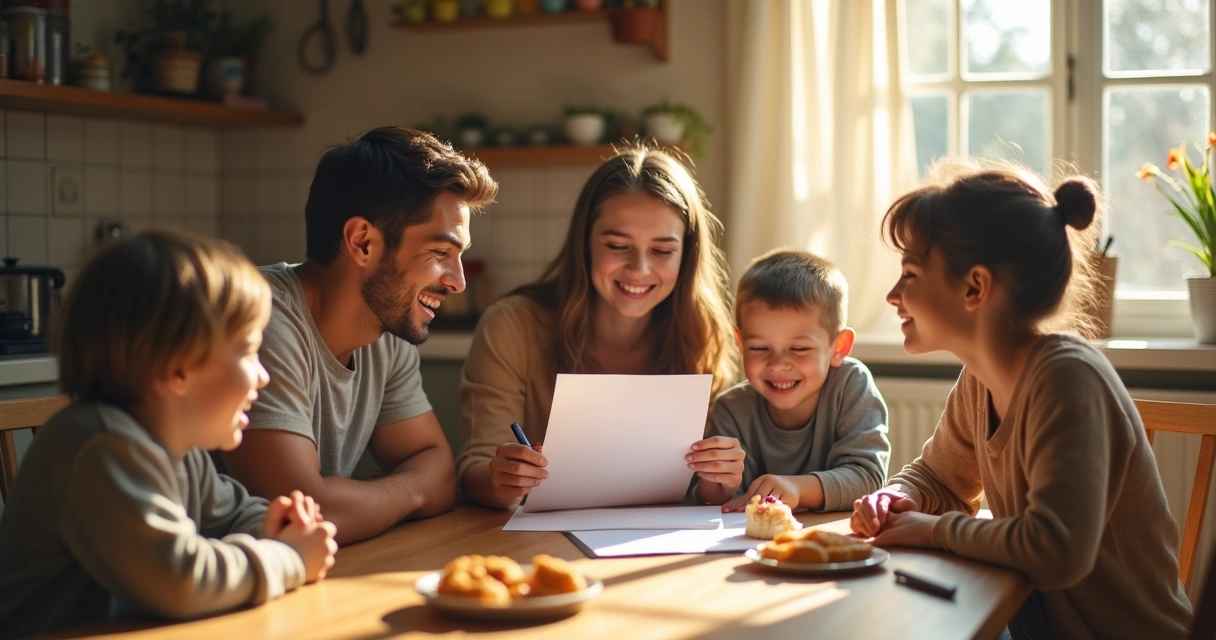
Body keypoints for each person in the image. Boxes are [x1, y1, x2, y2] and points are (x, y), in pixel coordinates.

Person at [851, 159, 1193, 638]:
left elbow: (1056, 549)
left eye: (909, 273)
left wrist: (931, 530)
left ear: (975, 287)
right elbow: (939, 476)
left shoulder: (1067, 380)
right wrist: (896, 496)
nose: (893, 294)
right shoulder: (980, 378)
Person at [0, 231, 337, 639]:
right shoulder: (102, 447)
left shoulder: (178, 450)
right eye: (249, 352)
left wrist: (273, 525)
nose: (263, 375)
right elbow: (179, 580)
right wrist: (289, 557)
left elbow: (229, 514)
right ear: (178, 369)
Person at [220, 127, 498, 544]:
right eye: (441, 253)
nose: (458, 281)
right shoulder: (260, 320)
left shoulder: (387, 330)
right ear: (362, 242)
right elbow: (306, 514)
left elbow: (439, 475)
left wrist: (372, 498)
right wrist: (403, 491)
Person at [457, 144, 743, 509]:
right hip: (536, 541)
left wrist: (719, 478)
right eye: (617, 245)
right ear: (585, 244)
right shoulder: (512, 326)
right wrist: (504, 480)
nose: (639, 269)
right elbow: (475, 468)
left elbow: (702, 487)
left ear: (687, 255)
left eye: (662, 251)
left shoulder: (703, 334)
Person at [697, 249, 889, 511]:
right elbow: (717, 502)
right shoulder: (732, 408)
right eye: (759, 348)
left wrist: (797, 488)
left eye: (799, 349)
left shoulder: (850, 385)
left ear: (839, 347)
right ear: (741, 344)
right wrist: (718, 485)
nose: (777, 365)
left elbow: (869, 478)